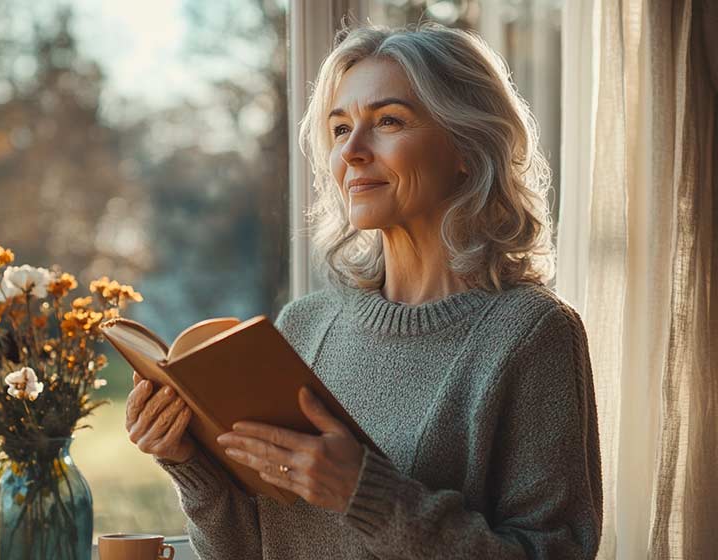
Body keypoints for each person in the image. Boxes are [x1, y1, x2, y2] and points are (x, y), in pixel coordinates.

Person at [124, 22, 602, 559]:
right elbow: (249, 551)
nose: (352, 151)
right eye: (339, 128)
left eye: (388, 121)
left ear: (467, 146)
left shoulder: (531, 335)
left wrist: (363, 492)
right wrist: (192, 466)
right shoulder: (304, 327)